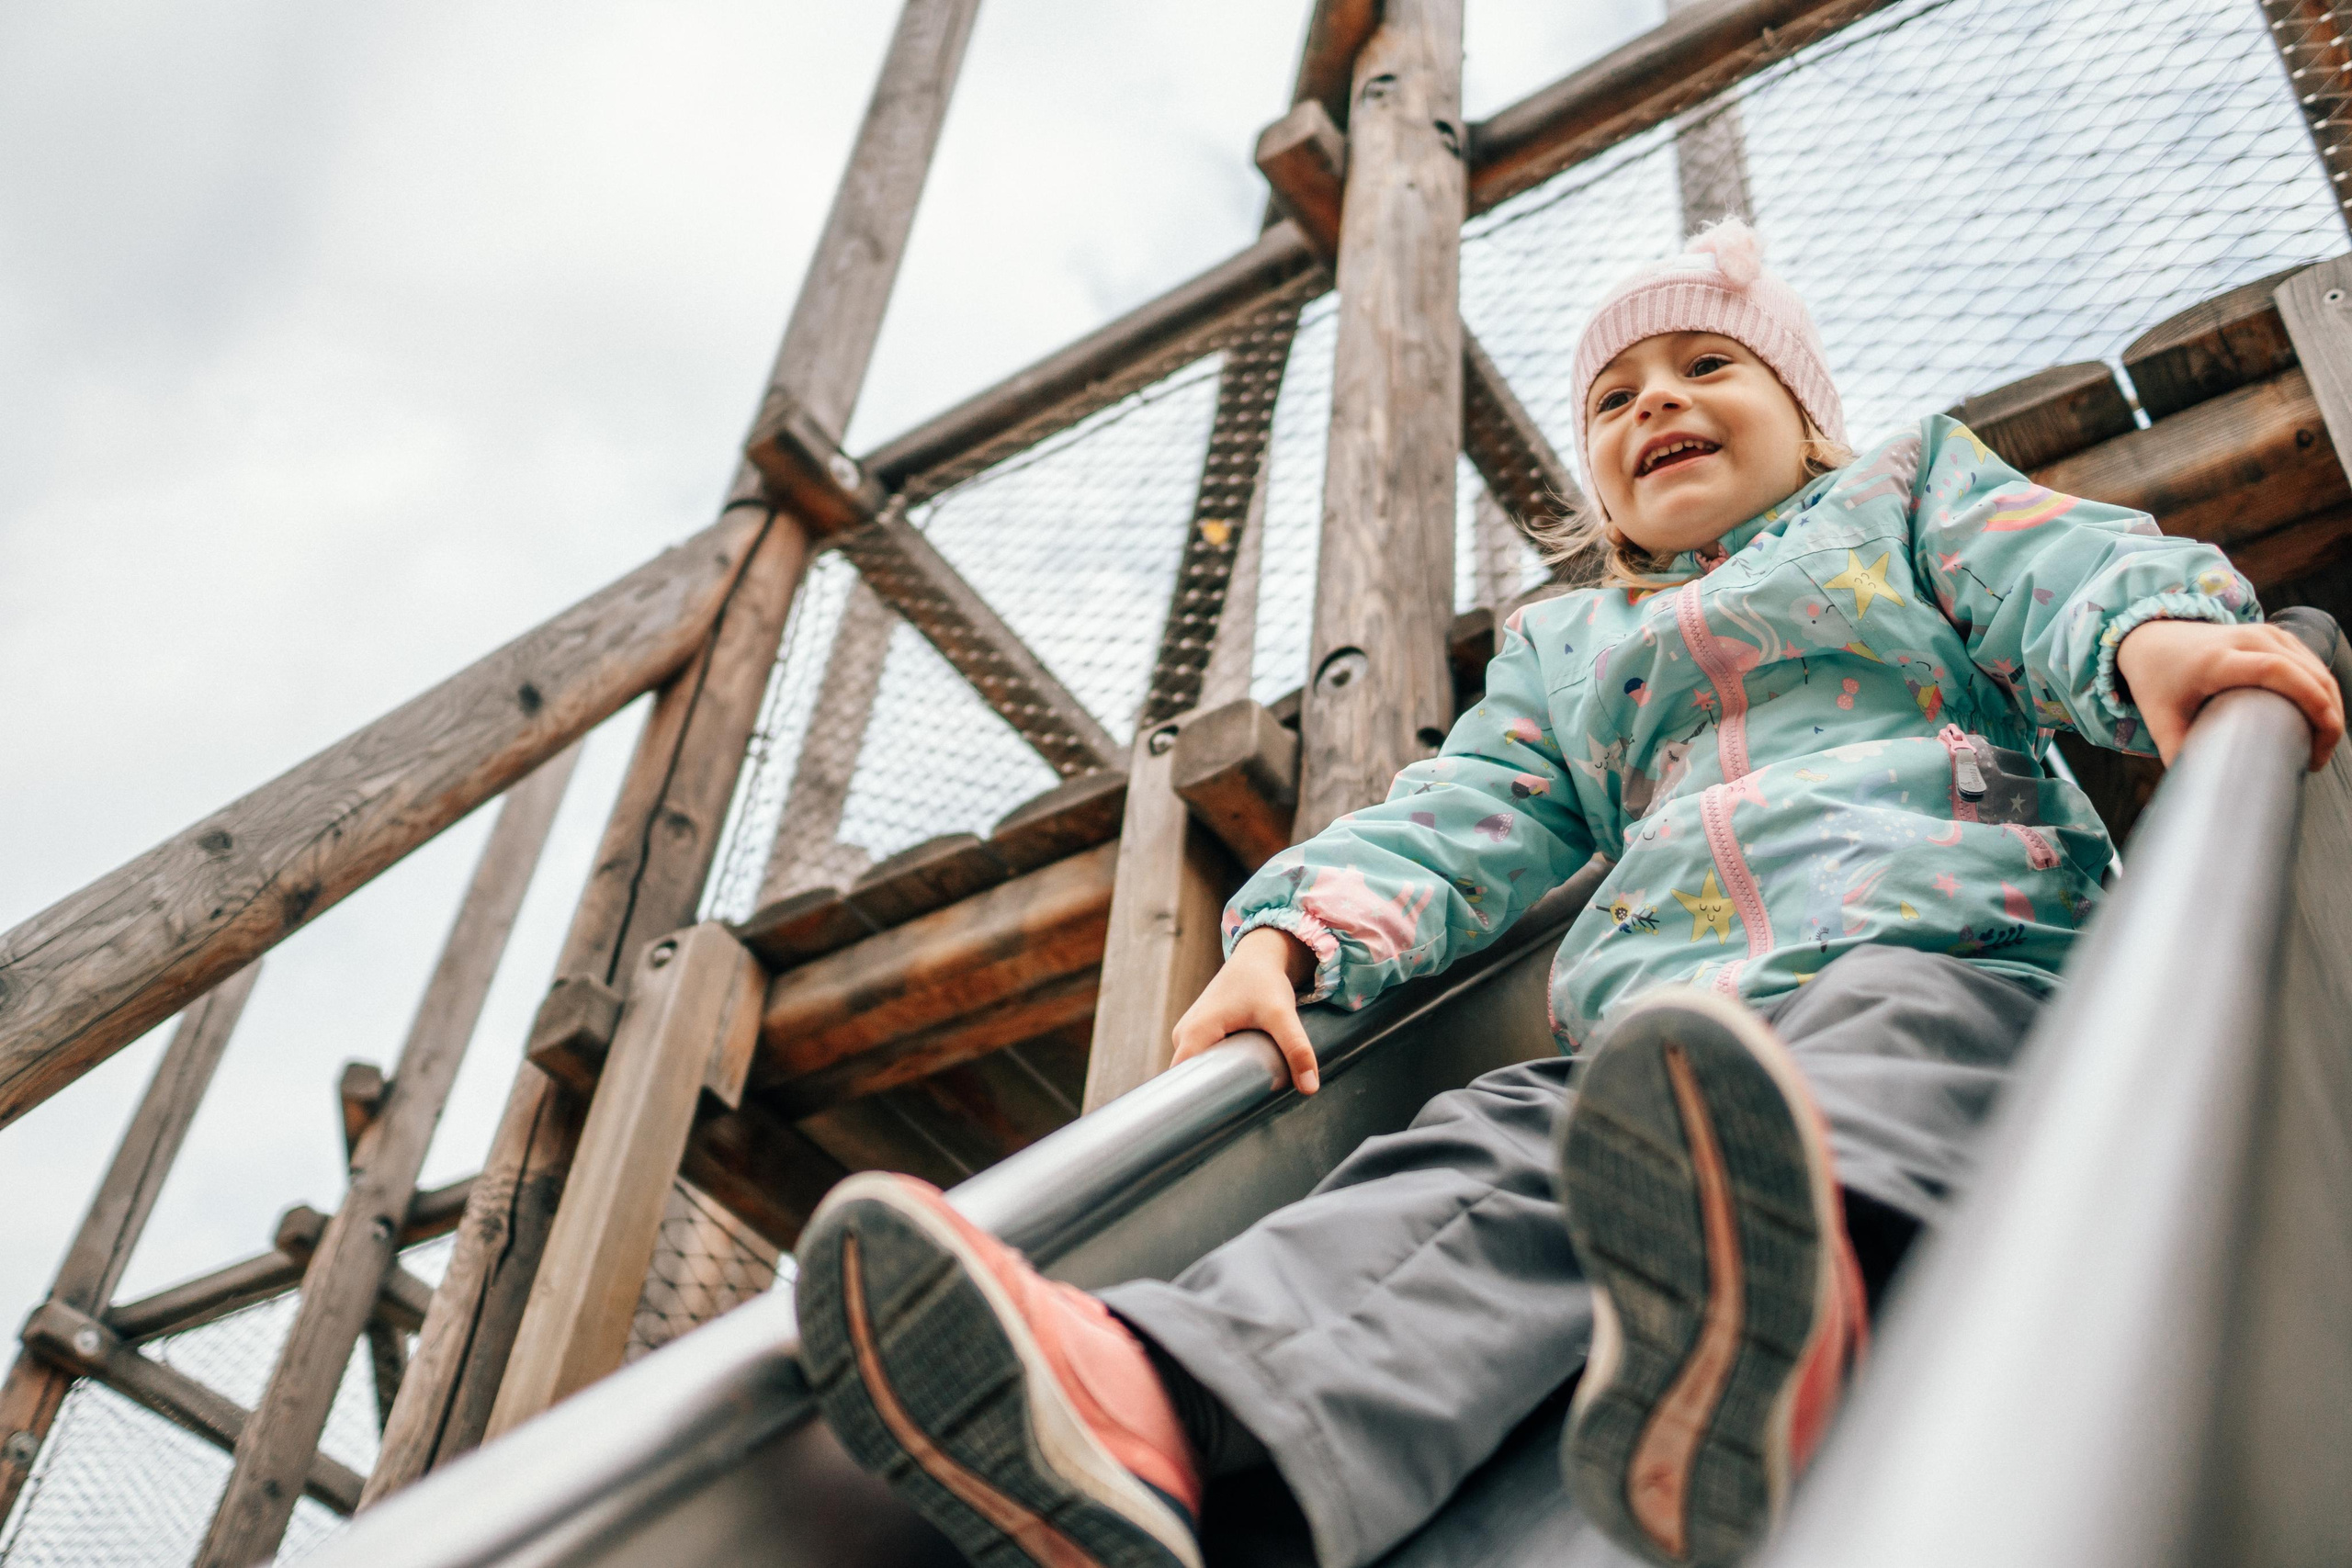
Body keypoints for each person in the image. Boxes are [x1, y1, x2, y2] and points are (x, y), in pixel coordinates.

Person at [788, 220, 2346, 1568]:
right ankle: (1159, 1411)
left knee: (1878, 1043)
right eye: (1614, 397)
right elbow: (1465, 816)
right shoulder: (1570, 649)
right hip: (1656, 1048)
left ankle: (1796, 1320)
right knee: (1475, 1157)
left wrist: (2155, 637)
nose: (1655, 400)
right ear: (1599, 481)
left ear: (1810, 423)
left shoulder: (1904, 496)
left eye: (1707, 366)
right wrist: (1294, 932)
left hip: (1951, 955)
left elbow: (2047, 569)